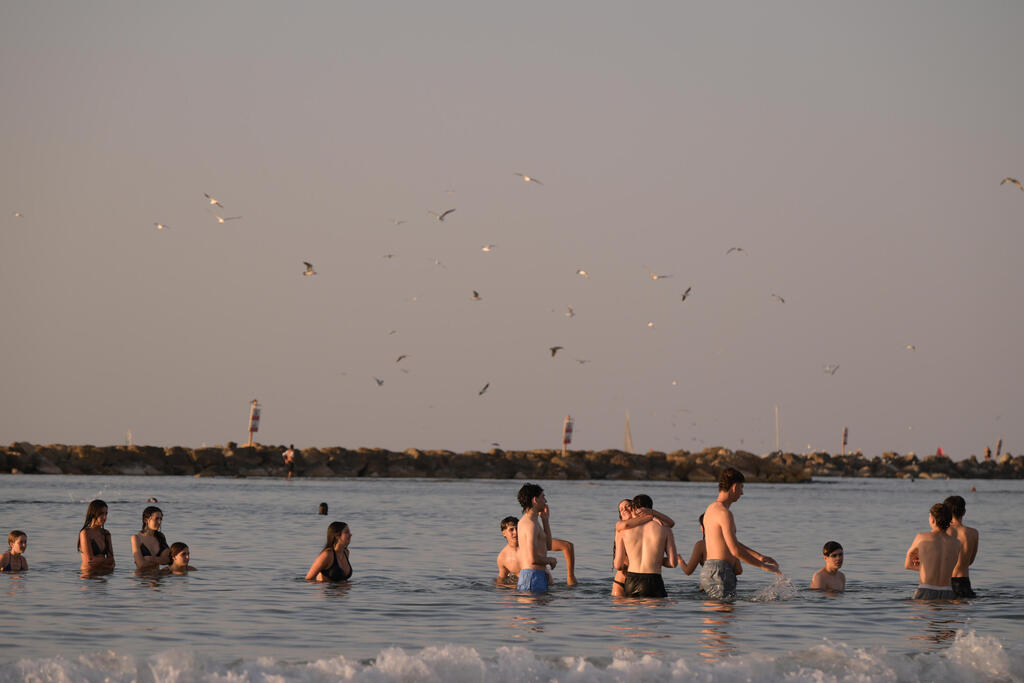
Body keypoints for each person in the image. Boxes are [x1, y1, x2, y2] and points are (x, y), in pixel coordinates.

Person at [701, 468, 780, 600]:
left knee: (720, 617)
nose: (742, 493)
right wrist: (763, 566)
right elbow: (735, 551)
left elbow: (730, 542)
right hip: (720, 572)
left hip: (713, 570)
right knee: (723, 617)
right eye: (741, 487)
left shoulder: (711, 509)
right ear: (734, 486)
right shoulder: (724, 513)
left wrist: (759, 557)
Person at [613, 494, 677, 597]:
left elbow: (618, 566)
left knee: (633, 613)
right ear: (651, 508)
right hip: (654, 579)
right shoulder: (665, 528)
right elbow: (673, 563)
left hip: (631, 580)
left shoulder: (623, 530)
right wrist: (656, 560)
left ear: (633, 508)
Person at [905, 502, 961, 600]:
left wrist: (926, 567)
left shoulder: (921, 537)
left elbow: (907, 564)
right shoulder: (957, 543)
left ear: (933, 520)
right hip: (948, 592)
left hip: (925, 590)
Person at [678, 514, 742, 583]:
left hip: (707, 589)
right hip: (729, 588)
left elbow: (688, 571)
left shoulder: (701, 545)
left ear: (702, 528)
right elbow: (738, 570)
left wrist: (680, 560)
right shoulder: (731, 544)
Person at [516, 483, 556, 593]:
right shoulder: (529, 525)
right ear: (535, 500)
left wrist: (545, 520)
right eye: (543, 497)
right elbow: (532, 559)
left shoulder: (535, 522)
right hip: (532, 576)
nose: (546, 501)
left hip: (537, 576)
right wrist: (550, 560)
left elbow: (548, 546)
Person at [497, 516, 560, 585]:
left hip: (548, 586)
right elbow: (501, 579)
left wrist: (549, 560)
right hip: (523, 590)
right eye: (511, 529)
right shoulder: (502, 557)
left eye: (517, 529)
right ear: (504, 533)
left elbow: (553, 545)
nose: (515, 532)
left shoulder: (531, 544)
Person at [944, 495, 979, 598]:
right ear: (964, 512)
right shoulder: (973, 533)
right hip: (964, 581)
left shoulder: (943, 532)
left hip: (945, 581)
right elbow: (970, 561)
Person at [78, 499, 115, 573]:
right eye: (101, 514)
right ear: (93, 514)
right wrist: (106, 561)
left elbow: (112, 561)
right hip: (88, 576)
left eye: (106, 514)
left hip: (104, 576)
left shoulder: (106, 534)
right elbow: (90, 561)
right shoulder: (85, 533)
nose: (105, 517)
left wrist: (98, 561)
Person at [131, 506, 170, 571]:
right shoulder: (136, 538)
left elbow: (169, 560)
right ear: (146, 520)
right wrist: (160, 560)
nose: (159, 522)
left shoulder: (161, 537)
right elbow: (140, 565)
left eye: (161, 519)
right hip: (142, 578)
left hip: (158, 578)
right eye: (156, 519)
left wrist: (151, 559)